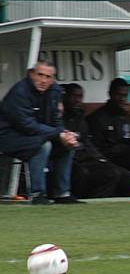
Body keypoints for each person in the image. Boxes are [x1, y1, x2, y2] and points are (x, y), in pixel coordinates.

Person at [0, 60, 81, 204]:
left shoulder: (54, 90)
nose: (43, 80)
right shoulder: (19, 92)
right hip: (7, 135)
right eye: (40, 75)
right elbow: (26, 125)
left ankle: (62, 194)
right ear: (31, 74)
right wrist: (58, 134)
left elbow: (55, 119)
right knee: (43, 145)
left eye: (48, 77)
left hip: (34, 133)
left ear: (53, 78)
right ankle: (38, 194)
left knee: (68, 144)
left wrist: (65, 134)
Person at [86, 77, 130, 175]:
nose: (122, 99)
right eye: (119, 95)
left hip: (129, 158)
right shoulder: (97, 118)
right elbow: (97, 148)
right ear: (110, 94)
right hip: (109, 161)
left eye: (125, 95)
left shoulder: (129, 118)